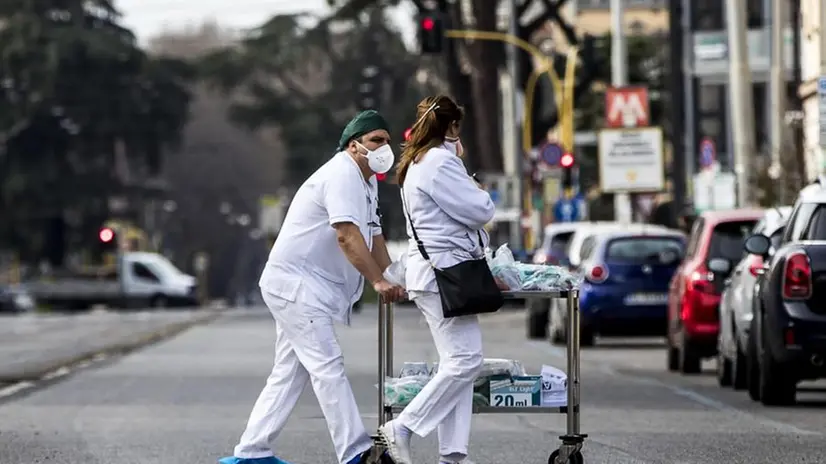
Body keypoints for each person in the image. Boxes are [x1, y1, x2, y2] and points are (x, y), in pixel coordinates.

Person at [219, 110, 406, 464]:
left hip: (302, 286)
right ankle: (355, 453)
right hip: (296, 285)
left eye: (387, 140)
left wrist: (396, 277)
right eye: (375, 140)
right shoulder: (342, 174)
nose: (385, 147)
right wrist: (377, 281)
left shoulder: (366, 182)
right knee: (327, 364)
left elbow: (374, 235)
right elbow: (348, 236)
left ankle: (251, 452)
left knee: (290, 372)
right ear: (354, 146)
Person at [377, 96, 495, 464]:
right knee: (465, 361)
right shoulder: (440, 163)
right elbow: (481, 211)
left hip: (437, 272)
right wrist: (475, 185)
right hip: (444, 274)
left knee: (457, 364)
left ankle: (453, 454)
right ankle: (404, 428)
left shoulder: (418, 161)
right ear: (452, 127)